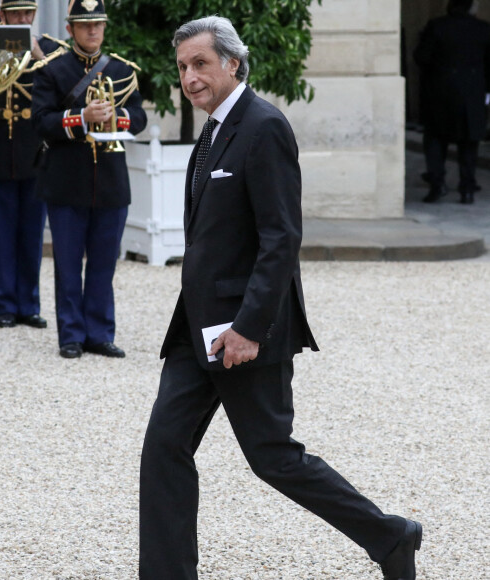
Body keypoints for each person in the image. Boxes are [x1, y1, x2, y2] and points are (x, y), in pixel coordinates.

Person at [139, 16, 422, 580]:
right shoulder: (215, 128)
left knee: (273, 458)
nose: (190, 77)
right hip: (197, 333)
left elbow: (280, 238)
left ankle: (391, 536)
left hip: (243, 332)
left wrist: (248, 327)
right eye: (183, 67)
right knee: (164, 449)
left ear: (232, 64)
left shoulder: (264, 125)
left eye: (200, 64)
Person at [32, 0, 147, 359]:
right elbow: (41, 121)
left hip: (110, 181)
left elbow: (140, 117)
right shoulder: (52, 69)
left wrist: (118, 116)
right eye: (85, 25)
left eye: (98, 24)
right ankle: (71, 335)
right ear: (70, 30)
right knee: (67, 263)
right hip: (66, 181)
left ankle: (99, 332)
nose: (93, 31)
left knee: (103, 262)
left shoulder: (123, 70)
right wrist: (81, 116)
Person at [0, 1, 63, 329]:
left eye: (28, 14)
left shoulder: (48, 50)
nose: (23, 20)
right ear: (2, 17)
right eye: (16, 15)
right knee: (2, 235)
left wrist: (37, 56)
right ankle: (5, 306)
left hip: (35, 154)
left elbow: (63, 85)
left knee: (32, 236)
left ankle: (29, 305)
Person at [414, 0, 490, 204]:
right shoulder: (483, 29)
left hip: (440, 91)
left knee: (436, 141)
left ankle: (437, 185)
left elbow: (422, 57)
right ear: (471, 7)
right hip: (472, 92)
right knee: (469, 143)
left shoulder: (437, 26)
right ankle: (467, 189)